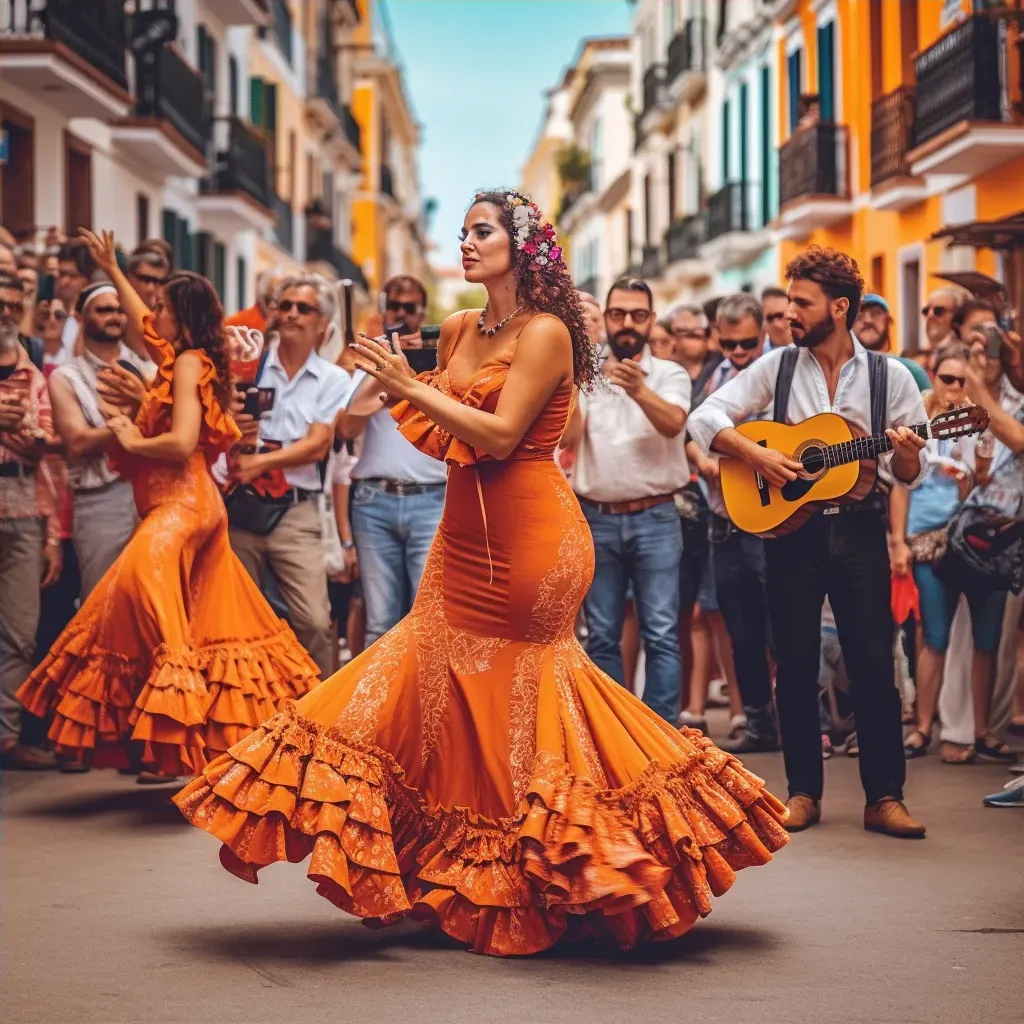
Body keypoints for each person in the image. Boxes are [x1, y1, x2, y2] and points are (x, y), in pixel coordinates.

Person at [174, 189, 789, 956]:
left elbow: (499, 437)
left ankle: (575, 856)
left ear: (521, 247)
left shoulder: (548, 333)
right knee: (434, 683)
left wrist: (410, 385)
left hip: (534, 539)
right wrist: (394, 382)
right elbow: (430, 428)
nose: (466, 243)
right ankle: (471, 868)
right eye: (462, 232)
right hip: (460, 538)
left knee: (531, 690)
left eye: (482, 231)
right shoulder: (461, 326)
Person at [17, 229, 320, 779]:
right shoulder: (181, 358)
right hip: (190, 507)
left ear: (181, 313)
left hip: (182, 508)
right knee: (198, 626)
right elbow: (142, 326)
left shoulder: (185, 366)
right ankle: (175, 754)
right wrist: (112, 266)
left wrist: (130, 437)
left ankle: (176, 743)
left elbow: (182, 443)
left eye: (161, 306)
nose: (151, 313)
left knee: (134, 603)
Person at [689, 245, 929, 838]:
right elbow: (704, 418)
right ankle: (801, 793)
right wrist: (754, 453)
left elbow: (909, 473)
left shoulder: (888, 375)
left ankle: (885, 797)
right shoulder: (777, 367)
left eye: (802, 302)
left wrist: (904, 450)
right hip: (790, 531)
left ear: (839, 307)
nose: (788, 312)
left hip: (858, 529)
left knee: (874, 663)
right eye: (789, 300)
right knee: (793, 664)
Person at [560, 277, 691, 724]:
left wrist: (638, 389)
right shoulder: (587, 373)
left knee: (662, 632)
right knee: (601, 636)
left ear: (651, 320)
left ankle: (663, 736)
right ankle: (616, 737)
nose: (627, 323)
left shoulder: (670, 373)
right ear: (607, 320)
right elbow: (567, 438)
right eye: (618, 314)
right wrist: (573, 380)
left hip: (656, 517)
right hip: (597, 518)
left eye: (638, 314)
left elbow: (674, 424)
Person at [226, 273, 353, 675]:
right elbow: (227, 423)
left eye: (304, 308)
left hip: (296, 512)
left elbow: (317, 445)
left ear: (322, 323)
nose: (292, 314)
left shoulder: (334, 378)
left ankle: (320, 717)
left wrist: (258, 461)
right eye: (285, 306)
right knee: (237, 622)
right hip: (240, 510)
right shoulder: (249, 366)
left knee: (313, 621)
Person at [888, 344, 1005, 761]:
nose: (954, 388)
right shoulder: (915, 420)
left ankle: (982, 731)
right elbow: (901, 485)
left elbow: (990, 483)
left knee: (986, 638)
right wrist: (898, 542)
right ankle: (922, 728)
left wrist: (968, 485)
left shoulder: (981, 422)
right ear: (933, 378)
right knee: (933, 635)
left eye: (962, 380)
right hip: (927, 539)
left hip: (975, 539)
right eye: (947, 378)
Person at [685, 294, 777, 753]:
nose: (739, 354)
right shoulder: (711, 377)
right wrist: (704, 461)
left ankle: (801, 720)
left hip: (771, 523)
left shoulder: (776, 376)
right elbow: (690, 434)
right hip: (723, 521)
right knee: (740, 633)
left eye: (747, 344)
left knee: (780, 631)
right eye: (729, 344)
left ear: (763, 334)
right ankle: (759, 723)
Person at [340, 275, 446, 647]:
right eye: (395, 307)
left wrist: (413, 371)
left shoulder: (443, 363)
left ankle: (424, 705)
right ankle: (379, 707)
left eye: (409, 308)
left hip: (432, 500)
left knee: (427, 619)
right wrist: (383, 367)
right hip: (374, 502)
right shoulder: (366, 362)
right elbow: (348, 426)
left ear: (423, 313)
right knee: (380, 620)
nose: (401, 315)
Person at [47, 281, 150, 598]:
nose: (116, 316)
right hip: (99, 498)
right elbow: (78, 442)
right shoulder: (66, 377)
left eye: (120, 310)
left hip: (149, 493)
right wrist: (137, 419)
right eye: (105, 309)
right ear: (79, 317)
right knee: (101, 601)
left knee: (152, 601)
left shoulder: (147, 369)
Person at [0, 297, 61, 770]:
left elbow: (45, 448)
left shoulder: (34, 376)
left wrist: (53, 535)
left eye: (11, 305)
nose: (5, 311)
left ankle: (5, 738)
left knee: (20, 634)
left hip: (25, 513)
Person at [853, 292, 931, 391]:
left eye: (876, 313)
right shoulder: (838, 371)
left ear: (887, 322)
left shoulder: (910, 371)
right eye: (859, 314)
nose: (868, 320)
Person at [125, 246, 170, 311]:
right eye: (147, 279)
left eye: (161, 282)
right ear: (129, 278)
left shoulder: (168, 315)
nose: (151, 288)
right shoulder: (115, 310)